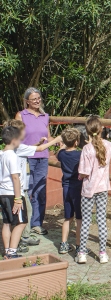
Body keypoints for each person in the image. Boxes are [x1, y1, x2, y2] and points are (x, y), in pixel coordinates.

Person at [3, 120, 62, 253]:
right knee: (22, 218)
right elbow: (39, 150)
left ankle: (12, 245)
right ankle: (18, 243)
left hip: (5, 191)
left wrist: (38, 144)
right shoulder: (17, 150)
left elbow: (31, 148)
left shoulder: (8, 151)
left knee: (8, 221)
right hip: (17, 191)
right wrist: (57, 139)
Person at [77, 116, 111, 264]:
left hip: (88, 190)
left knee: (86, 221)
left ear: (87, 131)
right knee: (102, 221)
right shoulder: (108, 146)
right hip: (102, 189)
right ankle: (102, 253)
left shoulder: (86, 149)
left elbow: (84, 172)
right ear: (101, 129)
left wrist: (79, 178)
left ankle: (82, 253)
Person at [15, 87, 54, 235]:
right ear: (27, 101)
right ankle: (25, 224)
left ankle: (37, 224)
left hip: (42, 157)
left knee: (40, 191)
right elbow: (16, 137)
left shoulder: (45, 116)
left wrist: (60, 142)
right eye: (34, 99)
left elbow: (48, 136)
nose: (37, 101)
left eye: (39, 98)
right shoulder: (21, 115)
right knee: (27, 190)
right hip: (26, 158)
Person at [0, 126, 27, 259]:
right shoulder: (12, 156)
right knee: (21, 222)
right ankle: (12, 251)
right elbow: (15, 178)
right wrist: (18, 198)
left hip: (3, 193)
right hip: (12, 193)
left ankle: (6, 250)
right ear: (15, 140)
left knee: (6, 222)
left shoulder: (1, 154)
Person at [56, 128, 83, 256]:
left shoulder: (61, 154)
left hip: (66, 187)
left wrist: (62, 146)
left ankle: (63, 244)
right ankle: (79, 246)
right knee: (79, 219)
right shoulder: (80, 154)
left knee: (68, 218)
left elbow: (58, 153)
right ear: (77, 142)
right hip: (78, 188)